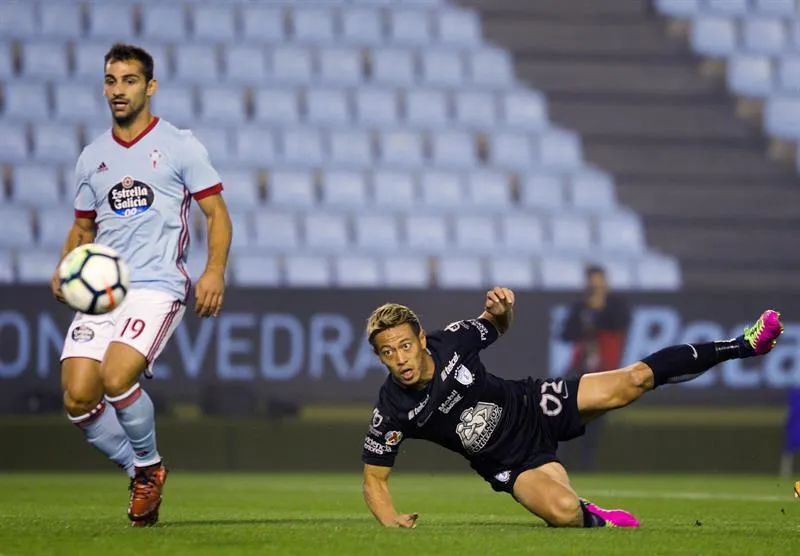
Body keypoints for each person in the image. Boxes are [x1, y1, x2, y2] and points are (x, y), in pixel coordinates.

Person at [360, 287, 783, 529]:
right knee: (564, 513)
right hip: (509, 464)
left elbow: (496, 326)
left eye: (405, 345)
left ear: (420, 338)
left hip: (535, 405)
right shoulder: (392, 408)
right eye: (388, 352)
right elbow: (374, 479)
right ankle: (593, 514)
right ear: (379, 357)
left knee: (633, 380)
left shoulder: (451, 341)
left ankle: (743, 344)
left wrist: (501, 312)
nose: (400, 359)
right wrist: (390, 520)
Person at [50, 43, 233, 527]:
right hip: (103, 289)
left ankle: (149, 468)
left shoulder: (179, 145)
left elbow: (216, 213)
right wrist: (65, 263)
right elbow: (83, 227)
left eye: (129, 80)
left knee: (116, 378)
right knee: (77, 398)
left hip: (156, 285)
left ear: (150, 87)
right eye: (111, 81)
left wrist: (214, 270)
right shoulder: (92, 157)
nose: (119, 90)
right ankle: (141, 473)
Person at [559, 265, 630, 470]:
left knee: (594, 421)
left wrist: (597, 312)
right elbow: (565, 333)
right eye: (592, 284)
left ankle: (586, 463)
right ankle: (563, 461)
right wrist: (587, 313)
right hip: (580, 370)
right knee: (568, 414)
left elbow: (619, 324)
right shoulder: (579, 307)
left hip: (605, 370)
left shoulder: (616, 306)